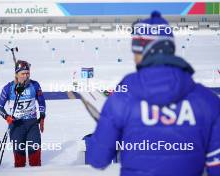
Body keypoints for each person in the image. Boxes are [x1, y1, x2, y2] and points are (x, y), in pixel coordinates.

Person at [84, 11, 220, 176]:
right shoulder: (209, 102)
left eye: (136, 50)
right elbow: (216, 166)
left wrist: (103, 133)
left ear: (146, 50)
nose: (134, 58)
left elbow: (97, 159)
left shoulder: (122, 98)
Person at [0, 60, 46, 167]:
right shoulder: (8, 88)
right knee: (19, 157)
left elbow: (41, 101)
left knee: (35, 153)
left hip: (32, 123)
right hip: (16, 125)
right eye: (23, 74)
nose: (26, 76)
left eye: (27, 73)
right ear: (16, 74)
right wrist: (6, 117)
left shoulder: (35, 85)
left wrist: (42, 116)